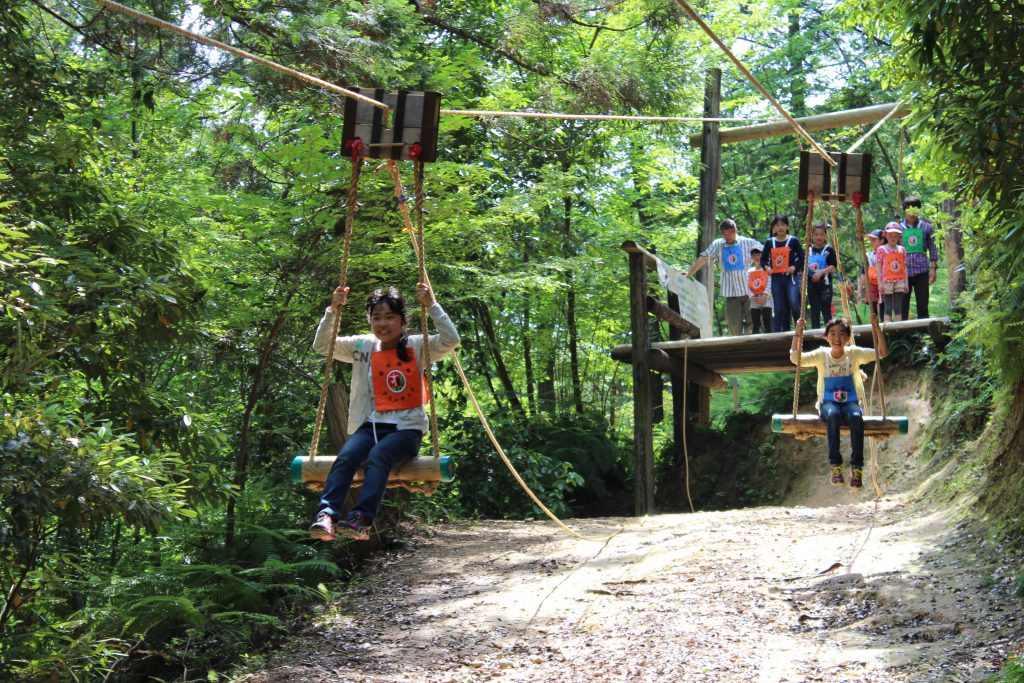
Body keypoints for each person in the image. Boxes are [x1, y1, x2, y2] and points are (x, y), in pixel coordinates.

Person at [308, 282, 460, 541]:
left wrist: (432, 306)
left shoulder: (416, 345)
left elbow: (451, 340)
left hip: (406, 430)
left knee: (379, 455)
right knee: (346, 456)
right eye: (376, 318)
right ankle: (327, 515)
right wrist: (332, 310)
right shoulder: (362, 346)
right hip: (371, 425)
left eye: (390, 317)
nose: (383, 324)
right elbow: (323, 346)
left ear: (402, 320)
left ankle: (362, 518)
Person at [791, 315, 889, 489]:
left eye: (842, 334)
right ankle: (835, 466)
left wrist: (876, 327)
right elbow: (795, 358)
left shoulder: (854, 353)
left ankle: (857, 467)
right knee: (833, 415)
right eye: (833, 334)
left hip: (850, 401)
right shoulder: (821, 355)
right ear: (827, 337)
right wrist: (798, 333)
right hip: (828, 402)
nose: (837, 339)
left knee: (857, 416)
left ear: (848, 337)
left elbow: (882, 353)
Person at [687, 219, 764, 335]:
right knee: (734, 326)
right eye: (724, 234)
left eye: (728, 233)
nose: (726, 236)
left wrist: (761, 267)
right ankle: (738, 347)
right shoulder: (718, 244)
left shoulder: (747, 242)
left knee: (752, 323)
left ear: (735, 230)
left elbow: (765, 250)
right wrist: (689, 273)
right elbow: (704, 257)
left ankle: (750, 347)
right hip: (731, 292)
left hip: (749, 290)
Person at [761, 214, 803, 332]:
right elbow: (763, 259)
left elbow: (803, 258)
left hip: (791, 278)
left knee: (794, 302)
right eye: (778, 225)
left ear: (787, 226)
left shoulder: (793, 240)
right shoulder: (770, 242)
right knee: (779, 307)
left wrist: (794, 267)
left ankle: (799, 329)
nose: (780, 227)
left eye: (783, 225)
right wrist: (767, 268)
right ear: (774, 227)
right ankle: (780, 333)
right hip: (776, 279)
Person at [899, 196, 939, 320]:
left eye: (915, 209)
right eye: (908, 210)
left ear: (919, 210)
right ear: (904, 211)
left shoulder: (927, 228)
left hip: (922, 271)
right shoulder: (898, 229)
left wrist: (933, 269)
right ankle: (904, 335)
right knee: (902, 306)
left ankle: (924, 335)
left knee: (923, 305)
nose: (911, 213)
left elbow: (933, 248)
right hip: (903, 273)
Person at [806, 223, 838, 329]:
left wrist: (821, 272)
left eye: (821, 234)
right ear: (812, 236)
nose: (819, 237)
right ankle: (815, 334)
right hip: (811, 285)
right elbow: (804, 267)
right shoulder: (808, 251)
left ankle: (830, 333)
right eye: (816, 234)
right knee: (814, 310)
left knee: (826, 310)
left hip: (825, 284)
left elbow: (833, 266)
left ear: (825, 236)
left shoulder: (829, 250)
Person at [877, 222, 909, 322]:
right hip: (886, 282)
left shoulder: (902, 250)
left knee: (898, 307)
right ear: (885, 235)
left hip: (899, 281)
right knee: (888, 307)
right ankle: (887, 329)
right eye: (890, 235)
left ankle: (897, 330)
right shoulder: (881, 249)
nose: (893, 237)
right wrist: (879, 283)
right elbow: (879, 267)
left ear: (899, 236)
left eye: (896, 235)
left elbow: (904, 267)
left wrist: (906, 282)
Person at [857, 228, 884, 320]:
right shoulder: (868, 256)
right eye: (870, 240)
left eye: (874, 240)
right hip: (872, 285)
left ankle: (885, 325)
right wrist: (859, 291)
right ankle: (875, 325)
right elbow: (864, 273)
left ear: (881, 240)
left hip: (884, 283)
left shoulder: (887, 253)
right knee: (873, 309)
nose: (872, 242)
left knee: (884, 306)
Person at [747, 247, 773, 334]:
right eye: (754, 255)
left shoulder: (767, 269)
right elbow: (747, 285)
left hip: (767, 299)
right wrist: (752, 296)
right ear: (751, 257)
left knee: (767, 324)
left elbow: (769, 282)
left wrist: (765, 295)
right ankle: (755, 344)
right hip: (754, 299)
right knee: (755, 325)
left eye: (758, 254)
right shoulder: (750, 271)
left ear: (762, 255)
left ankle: (771, 343)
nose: (756, 257)